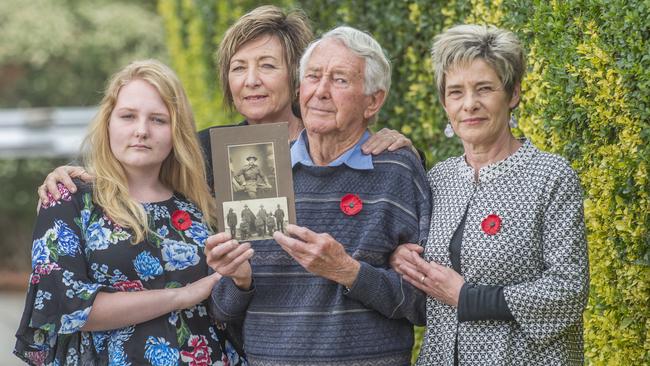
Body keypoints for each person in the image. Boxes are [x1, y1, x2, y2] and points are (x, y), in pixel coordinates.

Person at [205, 26, 431, 365]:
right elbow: (223, 310)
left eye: (340, 80)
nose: (321, 91)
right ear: (299, 90)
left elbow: (426, 304)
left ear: (374, 100)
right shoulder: (257, 170)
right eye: (313, 77)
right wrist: (237, 278)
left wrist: (348, 271)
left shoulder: (396, 171)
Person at [36, 5, 415, 205]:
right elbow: (135, 176)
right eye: (238, 68)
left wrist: (398, 141)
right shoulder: (203, 150)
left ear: (297, 75)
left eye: (267, 66)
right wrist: (76, 177)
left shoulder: (338, 145)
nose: (250, 80)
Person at [14, 60, 244, 365]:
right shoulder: (68, 200)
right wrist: (182, 296)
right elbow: (67, 308)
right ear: (108, 122)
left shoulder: (202, 207)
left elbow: (226, 304)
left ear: (177, 131)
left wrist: (240, 281)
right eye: (128, 116)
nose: (142, 131)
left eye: (159, 120)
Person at [390, 25, 589, 365]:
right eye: (456, 92)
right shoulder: (438, 179)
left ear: (512, 95)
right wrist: (401, 259)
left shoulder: (550, 176)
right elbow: (419, 277)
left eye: (484, 89)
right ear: (444, 103)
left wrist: (468, 298)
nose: (470, 104)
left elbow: (569, 290)